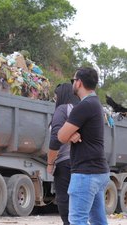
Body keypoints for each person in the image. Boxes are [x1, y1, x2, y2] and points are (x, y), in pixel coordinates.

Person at [58, 67, 110, 225]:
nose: (73, 83)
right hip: (98, 171)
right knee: (98, 221)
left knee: (77, 220)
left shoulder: (83, 106)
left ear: (79, 83)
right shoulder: (96, 104)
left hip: (85, 174)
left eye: (73, 80)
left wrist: (69, 134)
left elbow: (60, 136)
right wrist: (71, 134)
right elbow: (68, 135)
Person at [47, 83, 79, 225]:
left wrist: (50, 163)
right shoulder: (79, 109)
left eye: (56, 95)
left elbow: (55, 137)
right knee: (77, 200)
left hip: (65, 162)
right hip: (80, 161)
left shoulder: (62, 109)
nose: (55, 98)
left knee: (63, 199)